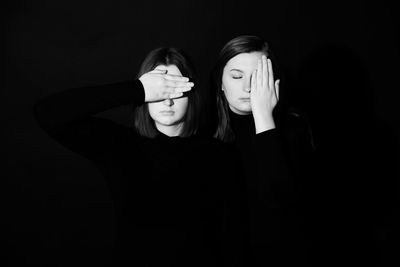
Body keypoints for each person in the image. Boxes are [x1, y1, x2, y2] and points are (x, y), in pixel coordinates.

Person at [33, 47, 236, 266]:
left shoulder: (217, 153)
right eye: (161, 89)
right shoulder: (119, 145)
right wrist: (137, 89)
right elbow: (47, 112)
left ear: (192, 93)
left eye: (175, 88)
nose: (167, 100)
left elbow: (233, 237)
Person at [210, 35, 314, 266]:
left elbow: (282, 205)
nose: (247, 87)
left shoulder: (293, 127)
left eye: (258, 77)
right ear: (221, 82)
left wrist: (264, 117)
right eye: (237, 76)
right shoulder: (204, 131)